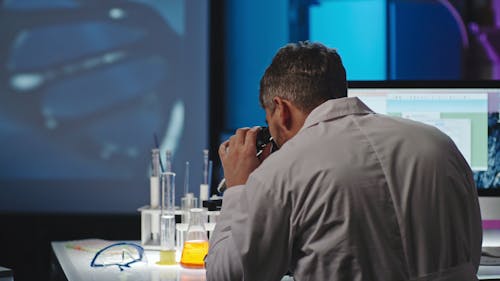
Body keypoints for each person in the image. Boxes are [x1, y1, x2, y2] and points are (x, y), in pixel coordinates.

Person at [205, 41, 482, 281]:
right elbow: (471, 256)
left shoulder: (282, 172)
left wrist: (239, 189)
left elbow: (227, 275)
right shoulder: (441, 145)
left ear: (281, 109)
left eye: (269, 121)